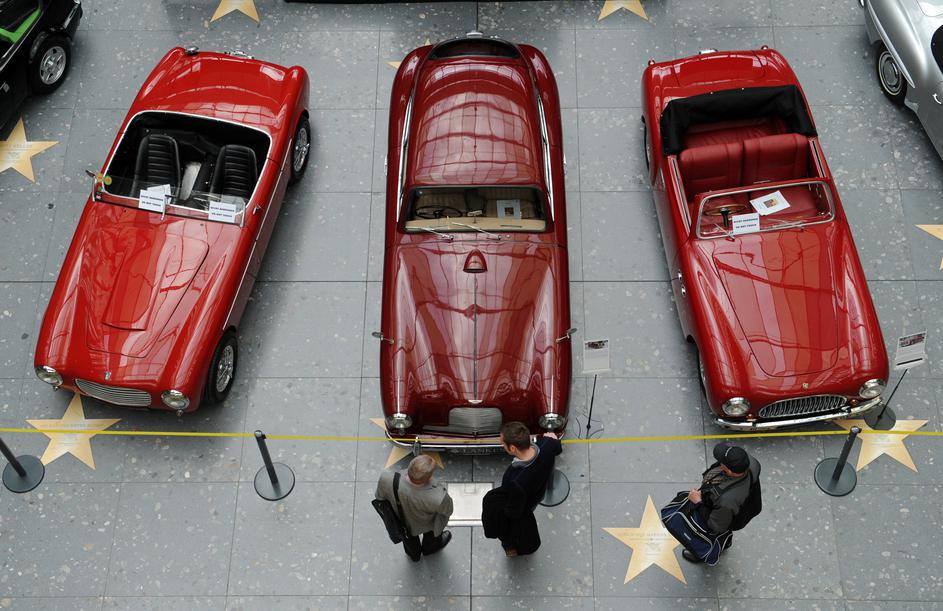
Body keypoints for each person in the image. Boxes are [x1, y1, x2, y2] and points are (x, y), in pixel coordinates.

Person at [482, 421, 562, 557]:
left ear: (513, 448)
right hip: (538, 494)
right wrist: (552, 438)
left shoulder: (515, 480)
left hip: (524, 503)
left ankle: (509, 546)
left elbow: (513, 512)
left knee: (512, 528)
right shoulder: (548, 445)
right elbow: (557, 447)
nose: (502, 446)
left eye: (503, 444)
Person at [682, 442, 761, 563]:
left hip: (725, 514)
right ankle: (726, 542)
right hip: (741, 507)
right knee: (724, 528)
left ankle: (702, 552)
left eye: (722, 461)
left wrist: (697, 501)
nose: (719, 461)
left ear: (729, 470)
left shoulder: (726, 500)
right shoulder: (749, 462)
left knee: (713, 532)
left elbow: (715, 525)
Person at [375, 454, 454, 562]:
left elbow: (380, 497)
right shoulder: (438, 497)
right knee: (431, 538)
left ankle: (414, 555)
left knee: (408, 539)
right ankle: (429, 549)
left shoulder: (386, 478)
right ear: (428, 477)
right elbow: (448, 511)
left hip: (401, 520)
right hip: (427, 524)